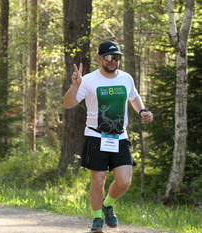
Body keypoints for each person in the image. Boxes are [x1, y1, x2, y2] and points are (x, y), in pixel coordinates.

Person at [63, 41, 153, 232]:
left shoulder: (126, 78)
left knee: (124, 181)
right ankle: (97, 219)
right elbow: (68, 104)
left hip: (120, 137)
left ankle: (108, 204)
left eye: (117, 57)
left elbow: (134, 97)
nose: (113, 61)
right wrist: (74, 86)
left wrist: (142, 111)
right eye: (109, 57)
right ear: (99, 58)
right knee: (98, 180)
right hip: (96, 136)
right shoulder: (87, 80)